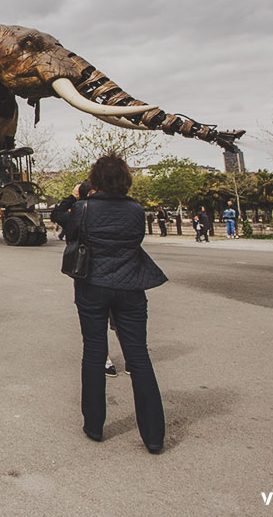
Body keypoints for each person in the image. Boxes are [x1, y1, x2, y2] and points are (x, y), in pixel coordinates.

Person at [52, 154, 167, 454]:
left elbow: (64, 223)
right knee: (139, 357)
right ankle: (153, 436)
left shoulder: (83, 209)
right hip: (130, 285)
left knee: (93, 351)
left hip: (92, 284)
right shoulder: (136, 210)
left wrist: (75, 196)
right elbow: (135, 240)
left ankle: (94, 425)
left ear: (96, 180)